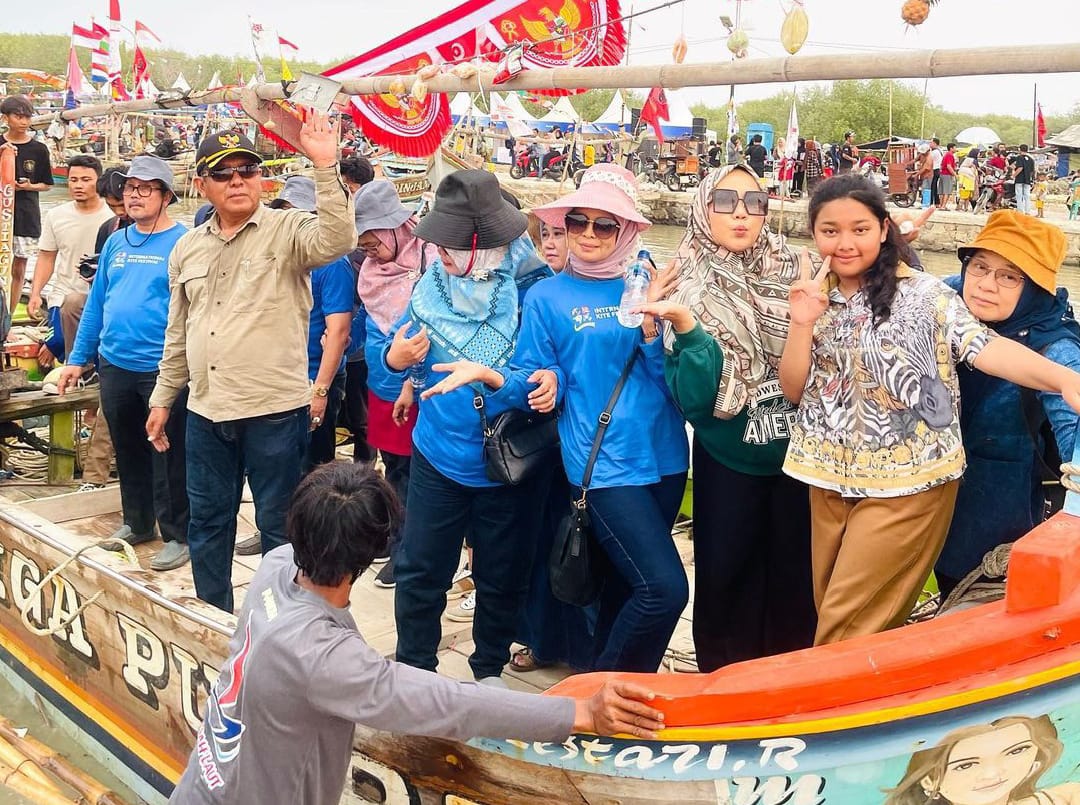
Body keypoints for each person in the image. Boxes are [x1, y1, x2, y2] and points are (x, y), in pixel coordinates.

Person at [168, 461, 666, 805]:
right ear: (373, 554)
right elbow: (451, 704)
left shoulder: (274, 568)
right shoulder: (322, 658)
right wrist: (580, 710)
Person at [779, 173, 1080, 646]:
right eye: (829, 230)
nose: (844, 242)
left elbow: (985, 348)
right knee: (834, 606)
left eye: (860, 229)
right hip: (827, 478)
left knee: (845, 625)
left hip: (907, 482)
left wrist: (1065, 380)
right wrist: (801, 324)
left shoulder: (927, 295)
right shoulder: (815, 294)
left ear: (883, 229)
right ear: (813, 234)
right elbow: (795, 390)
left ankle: (837, 717)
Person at [146, 115, 357, 613]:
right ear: (202, 185)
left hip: (273, 412)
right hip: (205, 410)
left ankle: (278, 623)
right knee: (208, 520)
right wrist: (162, 397)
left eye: (247, 170)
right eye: (223, 173)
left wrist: (325, 164)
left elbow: (338, 239)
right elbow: (179, 333)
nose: (237, 180)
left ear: (263, 178)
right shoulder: (186, 248)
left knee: (278, 526)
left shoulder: (289, 231)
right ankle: (212, 618)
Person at [635, 164, 816, 671]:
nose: (741, 213)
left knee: (796, 583)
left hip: (799, 460)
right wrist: (683, 330)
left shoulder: (796, 270)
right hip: (727, 458)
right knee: (724, 578)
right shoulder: (682, 283)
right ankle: (724, 683)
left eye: (754, 202)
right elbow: (694, 400)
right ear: (702, 207)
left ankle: (787, 685)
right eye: (726, 200)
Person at [519, 164, 690, 672]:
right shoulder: (546, 296)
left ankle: (619, 687)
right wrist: (547, 381)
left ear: (629, 232)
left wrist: (655, 332)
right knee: (665, 589)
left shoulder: (649, 285)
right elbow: (531, 368)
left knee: (626, 585)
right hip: (602, 464)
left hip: (664, 455)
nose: (588, 235)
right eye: (577, 222)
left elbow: (675, 384)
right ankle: (600, 695)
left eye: (605, 225)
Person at [386, 170, 553, 684]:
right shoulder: (429, 287)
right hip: (438, 455)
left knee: (501, 575)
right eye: (439, 242)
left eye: (455, 245)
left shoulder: (534, 291)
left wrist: (492, 376)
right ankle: (415, 669)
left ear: (488, 246)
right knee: (419, 571)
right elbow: (393, 350)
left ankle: (487, 672)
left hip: (508, 463)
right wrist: (395, 361)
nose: (443, 254)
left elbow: (544, 380)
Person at [935, 212, 1080, 598]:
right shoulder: (948, 300)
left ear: (1034, 287)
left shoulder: (1056, 350)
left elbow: (1073, 433)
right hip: (923, 497)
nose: (986, 285)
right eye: (980, 266)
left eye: (1009, 276)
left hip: (994, 517)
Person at [56, 156, 190, 571]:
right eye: (130, 187)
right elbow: (97, 303)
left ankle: (178, 533)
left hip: (161, 368)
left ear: (166, 196)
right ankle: (137, 522)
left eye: (145, 188)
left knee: (169, 452)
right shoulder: (116, 240)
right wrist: (78, 358)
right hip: (115, 362)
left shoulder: (184, 242)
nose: (134, 195)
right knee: (128, 447)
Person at [353, 180, 433, 589]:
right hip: (381, 384)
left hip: (417, 387)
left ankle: (408, 548)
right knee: (392, 466)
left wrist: (409, 377)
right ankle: (392, 535)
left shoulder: (429, 260)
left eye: (374, 241)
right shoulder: (371, 273)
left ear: (397, 229)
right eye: (363, 244)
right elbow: (373, 328)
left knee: (415, 471)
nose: (369, 250)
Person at [264, 176, 355, 475]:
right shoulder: (276, 257)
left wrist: (320, 391)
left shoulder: (332, 264)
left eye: (297, 214)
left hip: (316, 376)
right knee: (279, 466)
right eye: (283, 212)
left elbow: (338, 333)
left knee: (314, 468)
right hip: (279, 375)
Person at [28, 154, 114, 364]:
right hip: (63, 294)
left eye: (86, 180)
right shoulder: (56, 215)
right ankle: (71, 362)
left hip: (100, 295)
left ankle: (85, 366)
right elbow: (47, 257)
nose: (78, 185)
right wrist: (36, 293)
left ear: (98, 181)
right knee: (57, 341)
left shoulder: (114, 215)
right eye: (73, 180)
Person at [884, 715, 1079, 805]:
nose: (992, 773)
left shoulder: (1060, 798)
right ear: (929, 780)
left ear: (1035, 761)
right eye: (966, 765)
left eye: (1016, 751)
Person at [0, 94, 53, 315]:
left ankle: (9, 316)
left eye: (27, 117)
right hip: (3, 211)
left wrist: (28, 186)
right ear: (6, 117)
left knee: (19, 266)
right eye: (18, 116)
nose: (23, 121)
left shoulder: (38, 149)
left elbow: (47, 184)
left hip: (25, 214)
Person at [1012, 144, 1036, 215]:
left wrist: (1013, 176)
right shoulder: (1031, 159)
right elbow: (1032, 170)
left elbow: (1020, 168)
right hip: (1027, 179)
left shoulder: (1019, 158)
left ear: (1020, 149)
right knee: (1027, 195)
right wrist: (1030, 178)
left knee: (1019, 195)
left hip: (1019, 179)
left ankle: (1020, 211)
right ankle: (1027, 211)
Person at [939, 143, 957, 211]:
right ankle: (943, 206)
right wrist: (955, 174)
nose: (956, 149)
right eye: (955, 147)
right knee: (947, 191)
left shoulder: (946, 154)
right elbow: (949, 166)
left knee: (942, 191)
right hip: (947, 174)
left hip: (942, 174)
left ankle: (941, 205)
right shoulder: (950, 155)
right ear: (951, 148)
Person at [929, 137, 944, 208]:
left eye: (931, 142)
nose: (930, 144)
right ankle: (937, 202)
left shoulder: (935, 152)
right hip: (937, 170)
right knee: (934, 187)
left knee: (932, 187)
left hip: (935, 170)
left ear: (935, 143)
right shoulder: (939, 151)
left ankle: (931, 202)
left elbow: (929, 161)